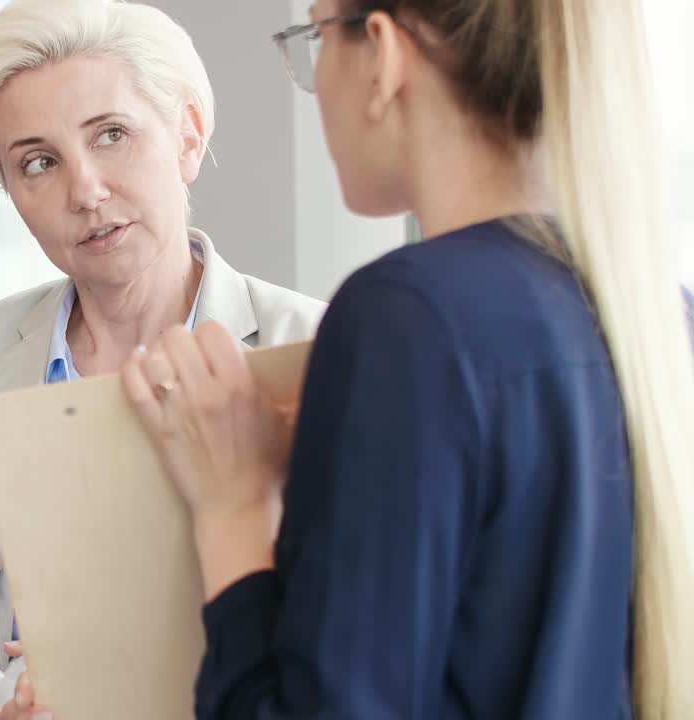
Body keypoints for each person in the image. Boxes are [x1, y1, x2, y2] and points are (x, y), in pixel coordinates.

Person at [110, 0, 693, 719]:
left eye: (316, 38)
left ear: (382, 52)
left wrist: (232, 504)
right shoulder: (661, 311)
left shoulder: (407, 316)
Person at [0, 1, 325, 718]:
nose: (84, 190)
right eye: (38, 162)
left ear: (188, 136)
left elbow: (355, 680)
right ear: (11, 192)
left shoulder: (314, 350)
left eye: (112, 135)